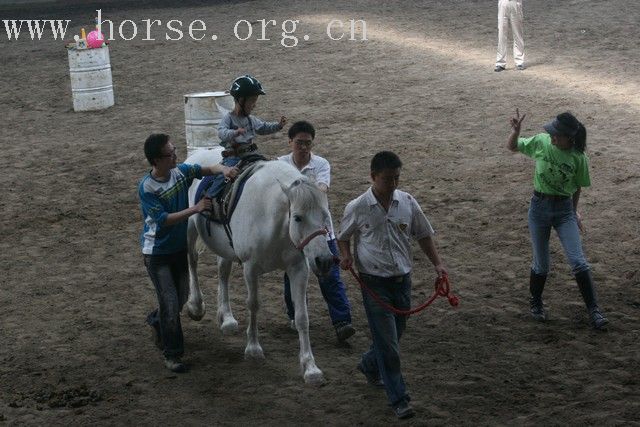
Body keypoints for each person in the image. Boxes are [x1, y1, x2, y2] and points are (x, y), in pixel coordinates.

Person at [337, 151, 448, 420]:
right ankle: (399, 398)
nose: (393, 184)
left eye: (397, 178)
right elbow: (343, 237)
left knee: (395, 334)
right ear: (373, 177)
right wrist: (346, 255)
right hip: (374, 282)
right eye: (388, 179)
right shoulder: (358, 206)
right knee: (388, 343)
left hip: (402, 280)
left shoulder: (407, 202)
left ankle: (368, 364)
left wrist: (437, 264)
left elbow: (423, 234)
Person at [139, 133, 238, 373]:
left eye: (174, 150)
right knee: (172, 303)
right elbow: (163, 220)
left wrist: (223, 170)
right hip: (158, 253)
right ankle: (173, 354)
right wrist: (195, 209)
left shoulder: (180, 172)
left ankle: (157, 320)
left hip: (178, 250)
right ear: (156, 160)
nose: (175, 156)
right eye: (170, 154)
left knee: (180, 298)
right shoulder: (147, 188)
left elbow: (206, 169)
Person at [507, 109, 608, 329]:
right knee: (541, 263)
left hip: (563, 211)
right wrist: (516, 132)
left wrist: (573, 211)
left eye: (557, 135)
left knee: (578, 260)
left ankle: (594, 310)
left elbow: (577, 187)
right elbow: (512, 147)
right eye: (552, 133)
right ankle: (536, 303)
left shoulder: (579, 158)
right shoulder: (542, 142)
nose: (552, 137)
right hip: (539, 209)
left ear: (570, 138)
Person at [277, 121, 355, 342]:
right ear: (290, 142)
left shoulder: (321, 164)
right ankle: (294, 316)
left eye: (308, 143)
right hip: (295, 232)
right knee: (291, 274)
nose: (303, 147)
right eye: (299, 143)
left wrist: (301, 193)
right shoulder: (280, 164)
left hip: (321, 230)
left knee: (330, 276)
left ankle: (342, 321)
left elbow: (322, 189)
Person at [205, 74, 286, 199]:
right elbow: (221, 132)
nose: (254, 105)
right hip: (234, 157)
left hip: (252, 155)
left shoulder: (251, 119)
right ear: (241, 100)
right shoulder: (229, 118)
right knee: (224, 177)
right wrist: (234, 133)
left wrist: (278, 126)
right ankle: (209, 198)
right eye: (252, 101)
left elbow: (263, 127)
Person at [495, 0, 525, 71]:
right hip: (503, 2)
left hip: (515, 2)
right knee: (501, 33)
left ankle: (519, 62)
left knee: (517, 33)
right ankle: (500, 62)